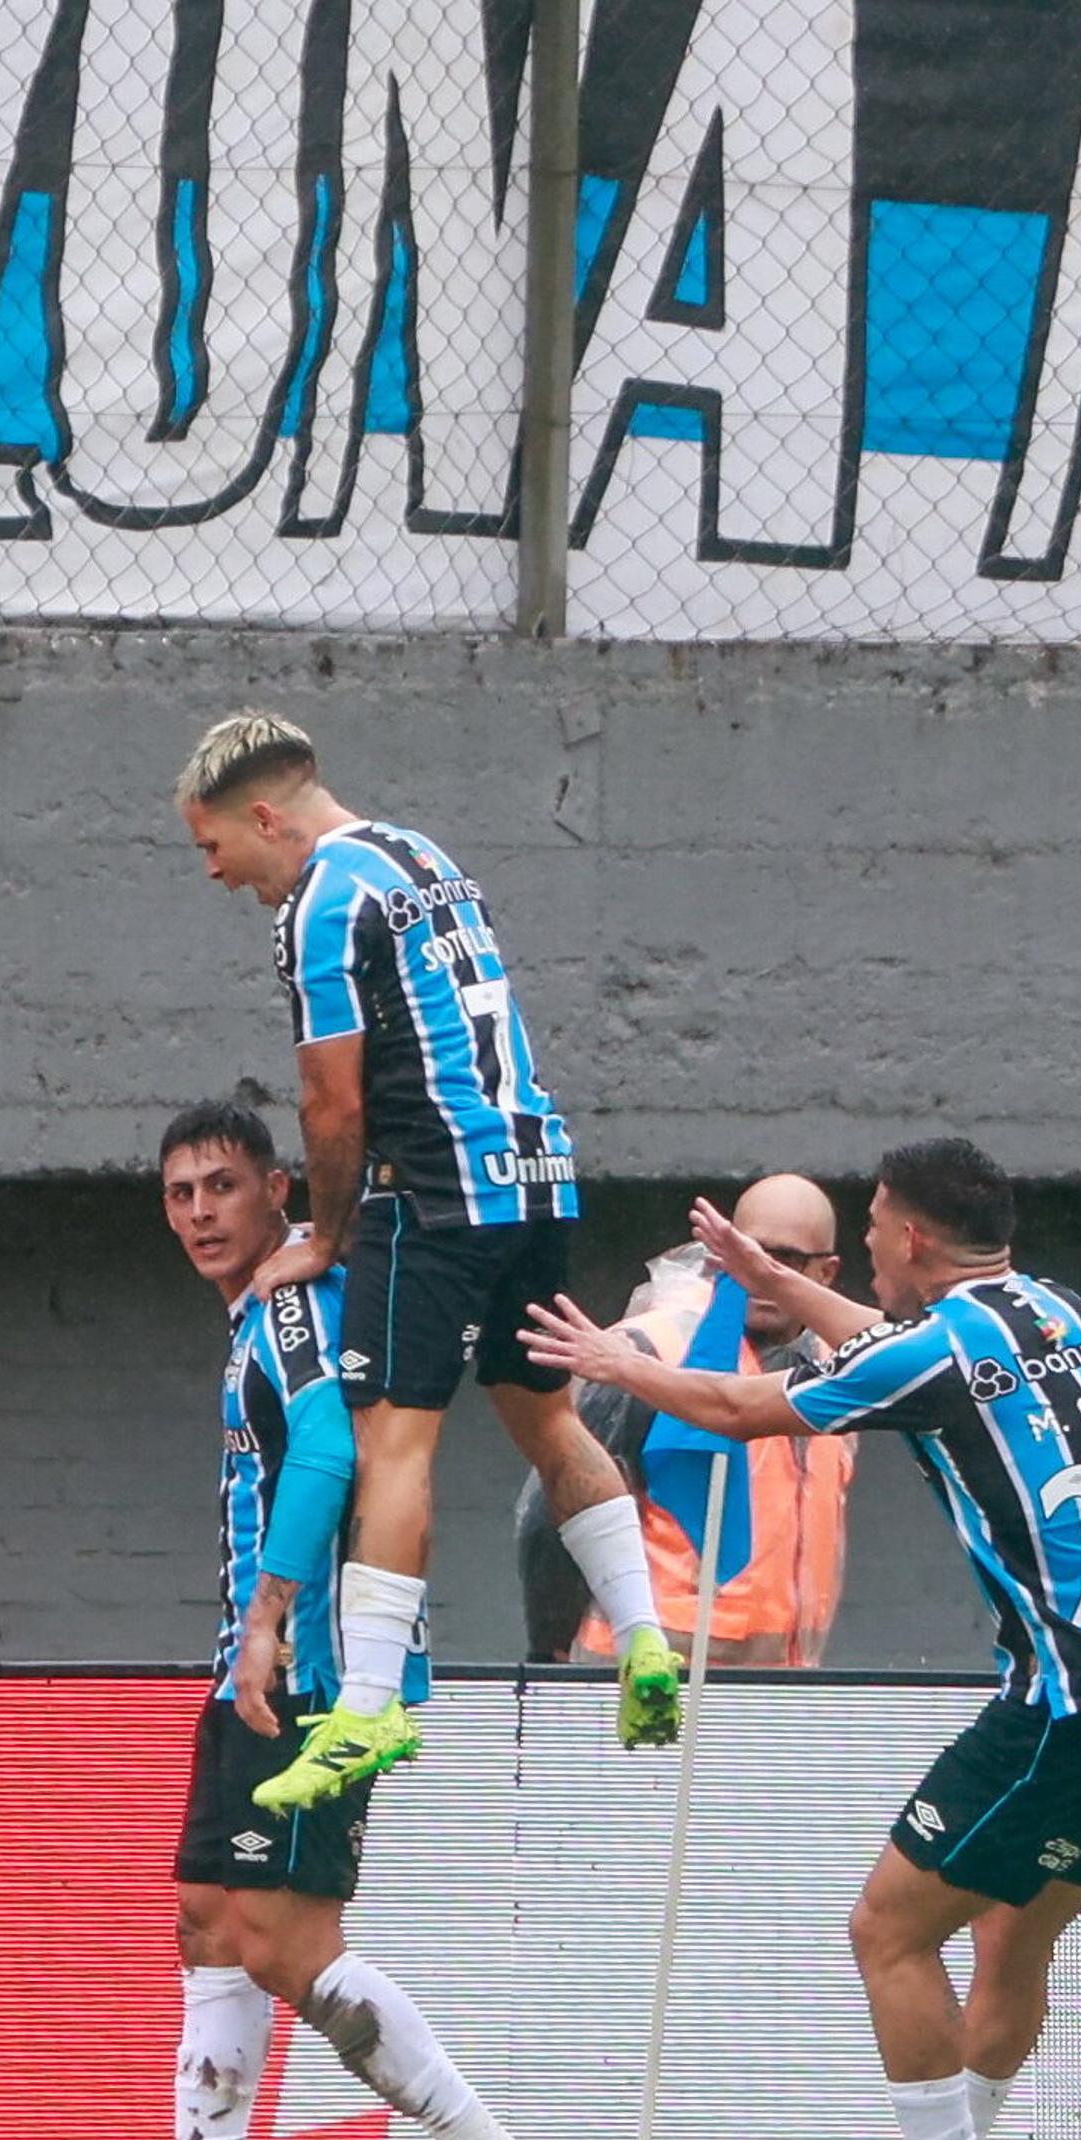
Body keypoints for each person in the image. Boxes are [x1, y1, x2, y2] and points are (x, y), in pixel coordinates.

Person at [522, 1139, 1081, 2140]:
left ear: (913, 1239)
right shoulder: (1047, 1307)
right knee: (1009, 1937)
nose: (871, 1243)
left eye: (877, 1224)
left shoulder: (932, 1350)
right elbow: (896, 1342)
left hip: (1067, 1705)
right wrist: (772, 1275)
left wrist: (618, 1364)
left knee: (887, 1929)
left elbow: (748, 1409)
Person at [174, 711, 681, 1813]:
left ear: (265, 816)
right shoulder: (422, 855)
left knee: (389, 1442)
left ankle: (364, 1704)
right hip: (538, 1174)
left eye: (215, 848)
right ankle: (643, 1638)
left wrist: (333, 1232)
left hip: (439, 1192)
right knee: (548, 1419)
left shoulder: (320, 901)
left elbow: (331, 1095)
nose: (219, 876)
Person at [151, 1101, 564, 2140]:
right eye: (181, 1192)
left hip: (306, 1667)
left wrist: (271, 1620)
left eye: (222, 1186)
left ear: (280, 1190)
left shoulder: (290, 1307)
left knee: (287, 1942)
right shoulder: (257, 1316)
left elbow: (333, 1446)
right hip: (256, 1660)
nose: (200, 1211)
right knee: (205, 1910)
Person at [514, 1173, 859, 1669]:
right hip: (646, 1664)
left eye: (784, 1259)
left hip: (781, 1676)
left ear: (826, 1272)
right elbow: (555, 1509)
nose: (760, 1270)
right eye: (746, 1250)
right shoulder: (649, 1351)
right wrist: (550, 1650)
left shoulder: (839, 1368)